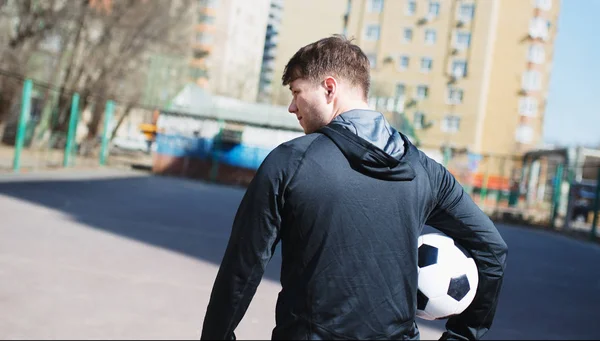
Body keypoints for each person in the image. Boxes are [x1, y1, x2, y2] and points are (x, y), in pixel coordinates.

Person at [200, 35, 508, 340]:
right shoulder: (426, 171)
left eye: (296, 92)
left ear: (329, 88)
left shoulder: (290, 162)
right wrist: (463, 336)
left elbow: (243, 267)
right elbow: (491, 248)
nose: (292, 107)